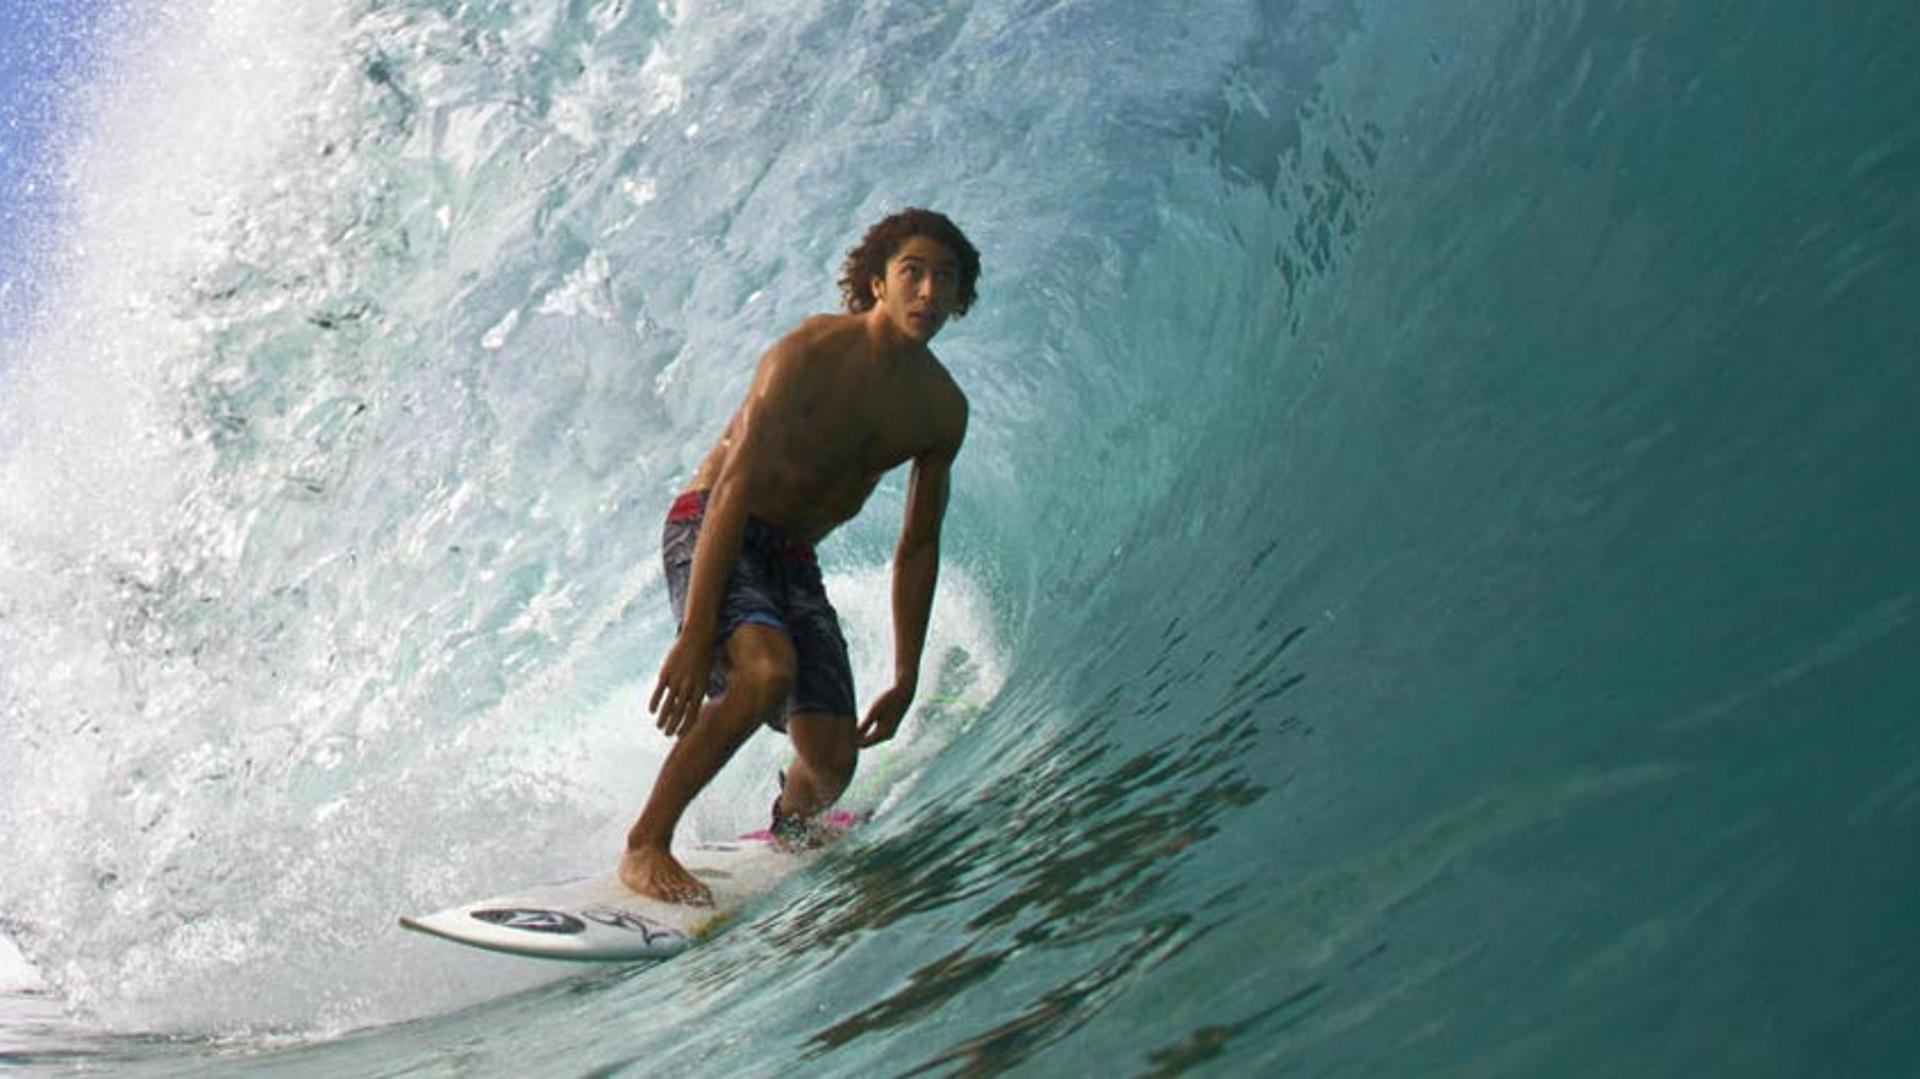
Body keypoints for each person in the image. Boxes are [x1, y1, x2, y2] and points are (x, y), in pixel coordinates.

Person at [619, 208, 980, 906]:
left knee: (833, 760)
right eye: (913, 272)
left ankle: (791, 823)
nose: (929, 292)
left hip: (791, 555)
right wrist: (697, 636)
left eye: (946, 278)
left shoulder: (940, 409)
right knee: (763, 671)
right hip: (715, 520)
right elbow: (734, 487)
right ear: (878, 282)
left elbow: (919, 544)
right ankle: (646, 841)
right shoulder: (807, 354)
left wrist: (906, 675)